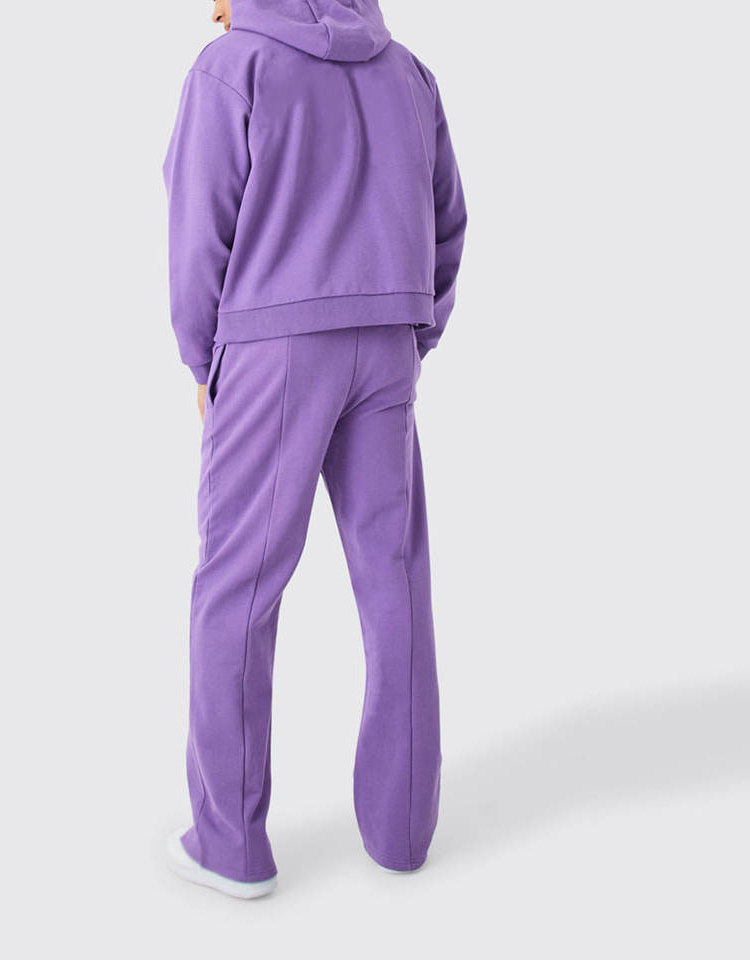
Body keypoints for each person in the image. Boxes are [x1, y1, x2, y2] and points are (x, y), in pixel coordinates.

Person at [163, 0, 466, 899]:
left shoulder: (232, 69)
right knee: (394, 577)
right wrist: (414, 329)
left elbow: (197, 234)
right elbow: (448, 220)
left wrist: (204, 361)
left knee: (238, 584)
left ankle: (229, 845)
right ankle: (403, 830)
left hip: (274, 347)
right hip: (388, 337)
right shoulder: (406, 72)